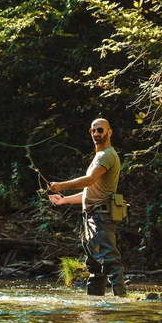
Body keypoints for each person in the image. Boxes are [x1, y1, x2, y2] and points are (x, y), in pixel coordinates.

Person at [48, 118, 127, 297]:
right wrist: (64, 200)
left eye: (100, 130)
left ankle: (123, 305)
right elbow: (90, 191)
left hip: (102, 217)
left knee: (110, 262)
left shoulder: (107, 155)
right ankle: (95, 305)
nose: (97, 134)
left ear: (109, 132)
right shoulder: (99, 156)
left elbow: (89, 180)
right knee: (94, 266)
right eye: (93, 131)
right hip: (92, 218)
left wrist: (61, 185)